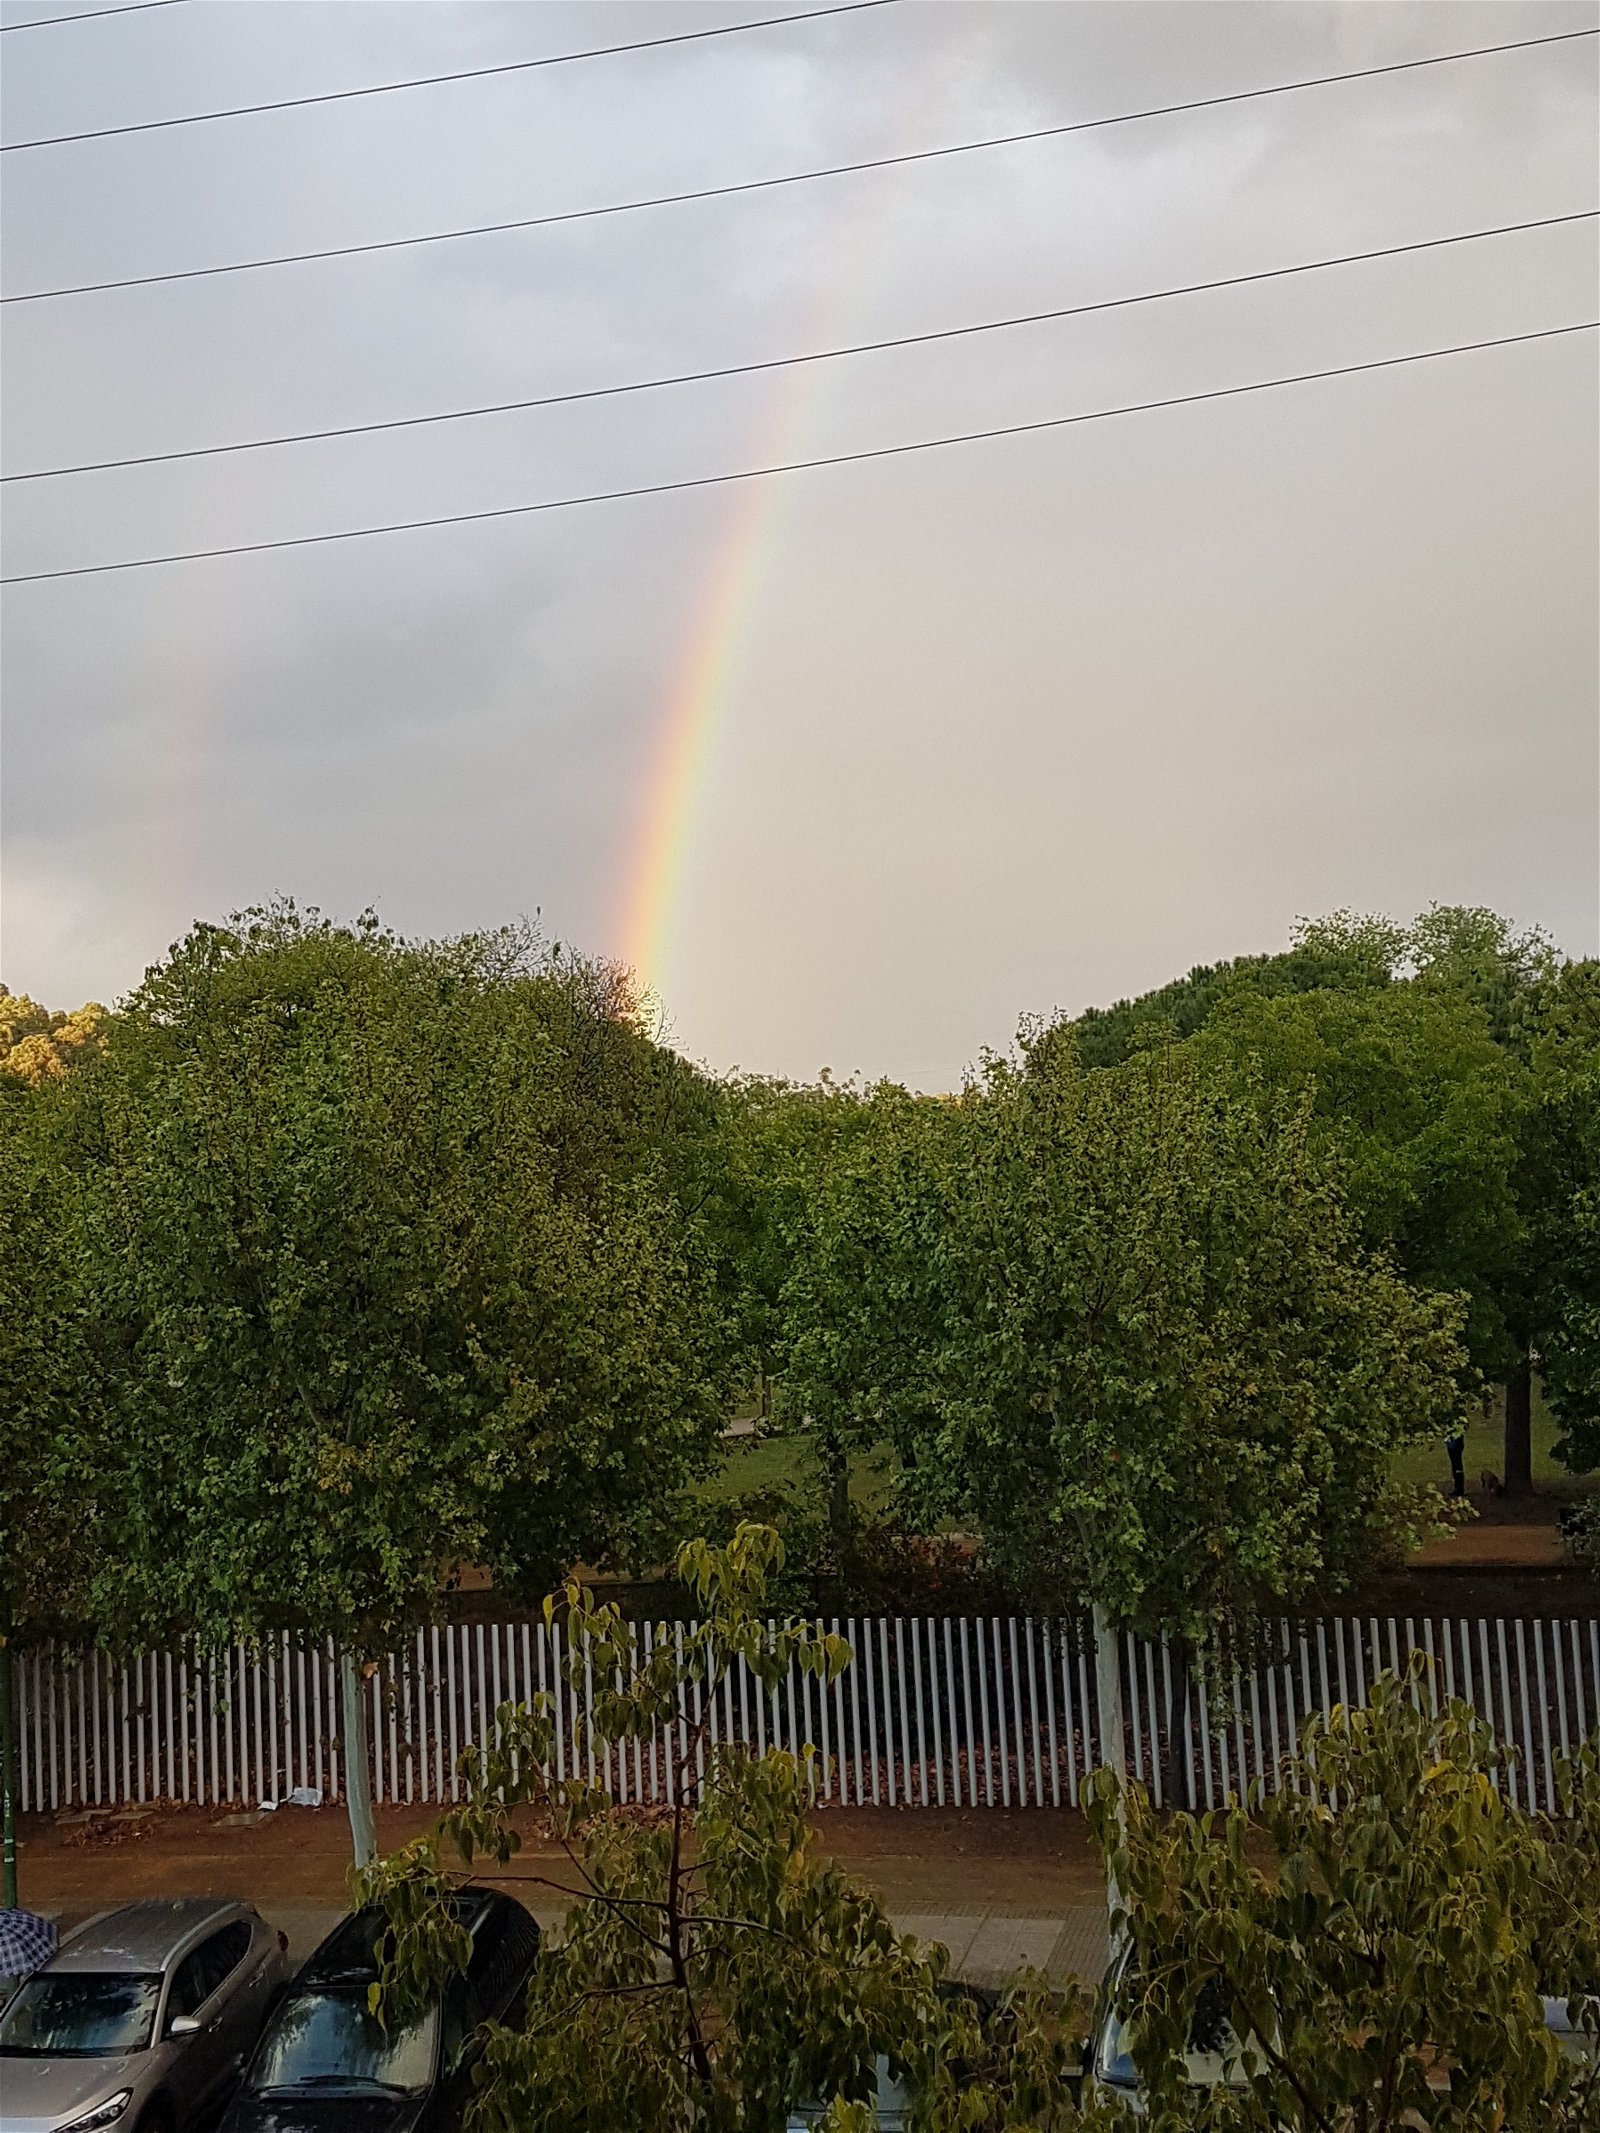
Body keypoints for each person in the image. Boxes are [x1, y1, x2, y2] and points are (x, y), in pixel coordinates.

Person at [1445, 1427, 1466, 1499]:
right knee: (1455, 1464)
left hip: (1455, 1441)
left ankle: (1459, 1488)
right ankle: (1458, 1487)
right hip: (1451, 1440)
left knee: (1457, 1464)